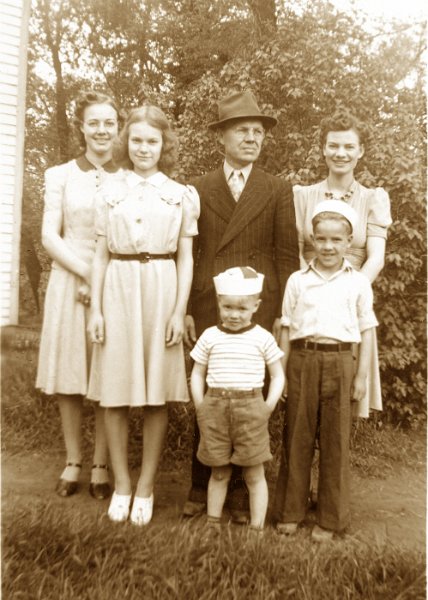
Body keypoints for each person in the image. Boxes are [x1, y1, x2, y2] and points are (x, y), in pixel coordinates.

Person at [183, 90, 300, 521]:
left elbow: (287, 257)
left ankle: (241, 488)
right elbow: (192, 254)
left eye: (257, 132)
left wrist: (284, 315)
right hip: (212, 305)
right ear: (222, 138)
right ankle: (201, 483)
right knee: (212, 393)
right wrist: (189, 307)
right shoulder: (198, 188)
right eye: (241, 130)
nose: (251, 138)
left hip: (257, 310)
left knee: (249, 397)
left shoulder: (277, 188)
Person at [87, 106, 200, 525]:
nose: (143, 148)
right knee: (114, 392)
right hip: (118, 283)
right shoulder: (109, 191)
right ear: (126, 142)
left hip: (161, 284)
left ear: (163, 145)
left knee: (155, 395)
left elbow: (186, 259)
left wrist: (178, 310)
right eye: (136, 140)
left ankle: (147, 485)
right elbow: (99, 256)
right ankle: (121, 483)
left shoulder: (180, 194)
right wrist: (96, 309)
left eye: (152, 141)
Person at [275, 201, 378, 541]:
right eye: (321, 239)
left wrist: (361, 376)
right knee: (297, 437)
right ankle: (291, 510)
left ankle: (331, 519)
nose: (328, 247)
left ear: (349, 242)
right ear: (313, 240)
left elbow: (366, 330)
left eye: (336, 240)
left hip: (341, 362)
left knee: (335, 440)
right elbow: (287, 328)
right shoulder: (298, 280)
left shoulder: (358, 283)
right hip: (303, 360)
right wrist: (283, 371)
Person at [36, 90, 120, 499]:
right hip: (71, 279)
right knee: (71, 375)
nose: (102, 130)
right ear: (81, 127)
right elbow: (49, 236)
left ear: (117, 128)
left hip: (115, 284)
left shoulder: (128, 177)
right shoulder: (60, 174)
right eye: (94, 122)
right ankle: (73, 461)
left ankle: (102, 465)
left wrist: (103, 279)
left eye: (109, 122)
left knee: (106, 374)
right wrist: (88, 272)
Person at [292, 109, 392, 418]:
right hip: (308, 295)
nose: (341, 153)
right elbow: (295, 251)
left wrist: (350, 289)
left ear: (360, 151)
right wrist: (311, 287)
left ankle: (336, 460)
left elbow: (376, 256)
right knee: (304, 397)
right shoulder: (302, 195)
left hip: (352, 295)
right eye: (333, 145)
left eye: (349, 146)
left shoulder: (373, 198)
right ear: (323, 148)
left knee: (345, 395)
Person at [190, 267, 285, 531]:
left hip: (251, 408)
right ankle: (212, 522)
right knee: (219, 471)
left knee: (254, 472)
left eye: (242, 309)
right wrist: (201, 405)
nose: (234, 314)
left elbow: (277, 376)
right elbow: (197, 373)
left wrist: (267, 407)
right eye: (228, 307)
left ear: (256, 306)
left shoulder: (262, 338)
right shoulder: (210, 336)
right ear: (219, 303)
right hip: (214, 408)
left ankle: (256, 528)